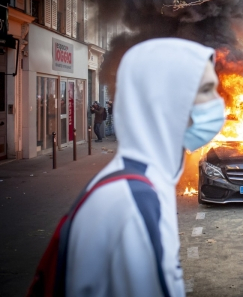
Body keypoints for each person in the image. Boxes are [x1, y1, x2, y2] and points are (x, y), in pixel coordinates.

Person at [63, 39, 224, 296]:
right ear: (166, 98)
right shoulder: (136, 200)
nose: (219, 102)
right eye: (206, 90)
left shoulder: (143, 183)